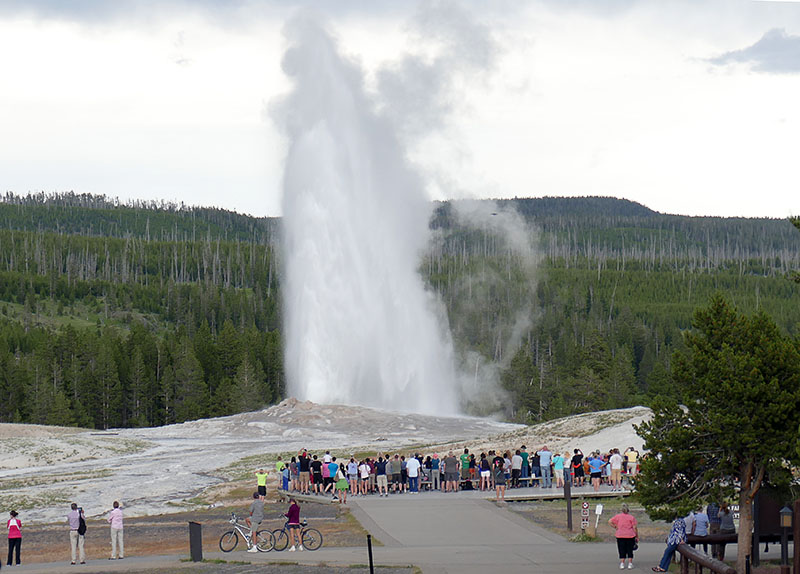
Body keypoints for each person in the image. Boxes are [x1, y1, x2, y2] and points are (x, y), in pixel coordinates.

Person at [609, 502, 638, 569]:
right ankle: (630, 563)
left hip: (620, 535)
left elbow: (610, 521)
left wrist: (615, 527)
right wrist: (637, 536)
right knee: (630, 549)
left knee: (621, 549)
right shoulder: (631, 517)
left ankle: (622, 563)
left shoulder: (618, 516)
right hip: (630, 535)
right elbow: (635, 527)